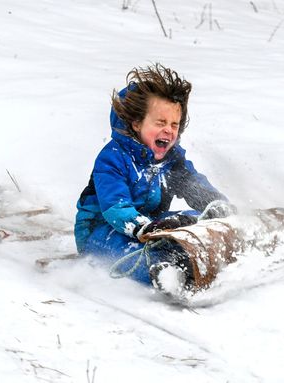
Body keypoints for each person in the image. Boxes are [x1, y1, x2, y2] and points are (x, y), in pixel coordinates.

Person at [74, 63, 234, 291]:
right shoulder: (113, 159)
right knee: (129, 250)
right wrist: (142, 227)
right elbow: (115, 206)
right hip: (101, 231)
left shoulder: (172, 159)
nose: (169, 130)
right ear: (136, 123)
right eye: (160, 123)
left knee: (195, 218)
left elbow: (192, 184)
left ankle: (221, 254)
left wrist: (218, 207)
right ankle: (166, 273)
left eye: (174, 124)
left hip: (152, 226)